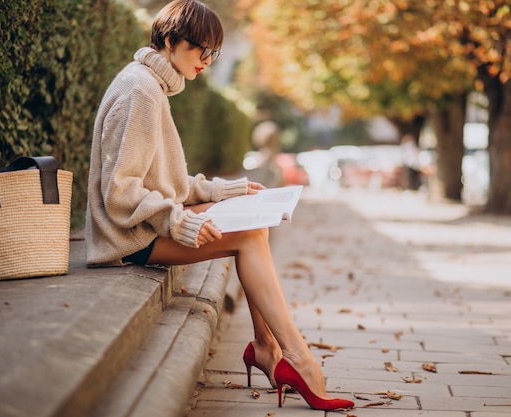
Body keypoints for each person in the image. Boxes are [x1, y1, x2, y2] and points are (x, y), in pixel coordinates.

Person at [85, 0, 354, 411]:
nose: (207, 61)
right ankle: (296, 358)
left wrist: (225, 192)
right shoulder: (140, 91)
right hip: (127, 238)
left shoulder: (151, 86)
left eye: (214, 53)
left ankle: (267, 348)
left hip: (144, 228)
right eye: (201, 50)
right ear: (171, 41)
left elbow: (167, 182)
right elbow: (119, 193)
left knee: (255, 224)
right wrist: (180, 223)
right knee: (248, 237)